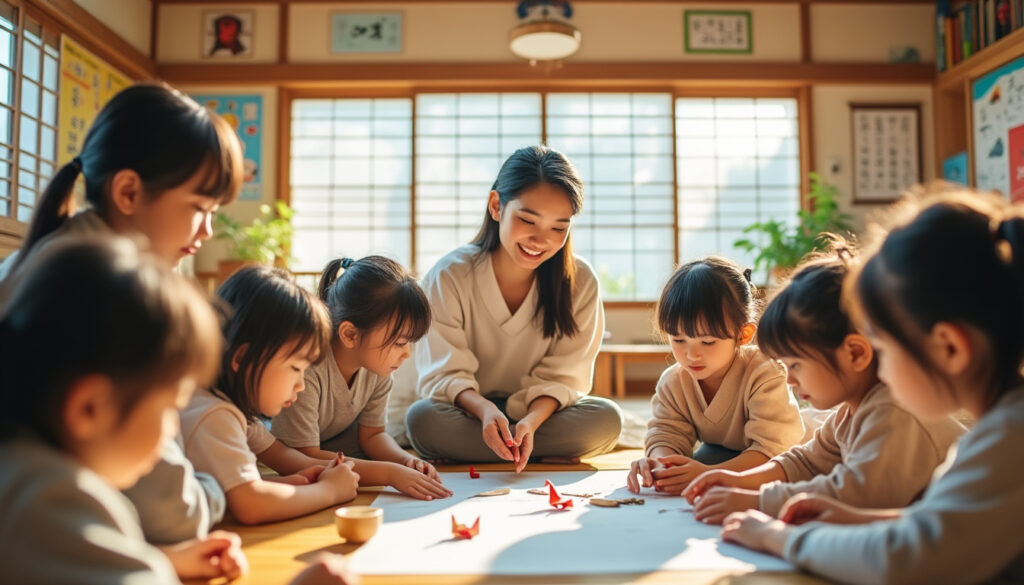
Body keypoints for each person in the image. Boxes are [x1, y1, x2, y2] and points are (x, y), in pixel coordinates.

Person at [720, 189, 1024, 585]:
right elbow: (952, 523)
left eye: (883, 347)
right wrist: (860, 520)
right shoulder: (1002, 426)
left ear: (949, 347)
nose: (879, 365)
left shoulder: (1009, 438)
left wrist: (783, 538)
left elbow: (907, 560)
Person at [0, 81, 244, 545]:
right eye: (199, 207)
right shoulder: (106, 293)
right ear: (128, 191)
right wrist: (219, 490)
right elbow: (173, 514)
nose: (208, 230)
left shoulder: (51, 256)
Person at [0, 236, 246, 583]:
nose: (173, 428)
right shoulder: (48, 497)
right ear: (90, 408)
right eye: (169, 408)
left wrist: (159, 560)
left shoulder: (18, 469)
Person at [682, 242, 964, 523]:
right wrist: (738, 480)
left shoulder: (893, 412)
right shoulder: (851, 410)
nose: (789, 379)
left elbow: (854, 494)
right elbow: (807, 461)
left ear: (855, 353)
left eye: (796, 365)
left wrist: (757, 501)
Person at [406, 145, 622, 472]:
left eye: (558, 228)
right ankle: (521, 449)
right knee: (423, 420)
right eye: (527, 220)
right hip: (467, 411)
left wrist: (531, 423)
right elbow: (444, 373)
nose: (540, 239)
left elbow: (566, 375)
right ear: (496, 206)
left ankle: (505, 446)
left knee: (606, 420)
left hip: (540, 414)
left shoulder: (580, 281)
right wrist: (485, 413)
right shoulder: (449, 274)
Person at [180, 266, 360, 525]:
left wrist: (289, 483)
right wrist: (330, 491)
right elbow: (251, 505)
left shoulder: (226, 405)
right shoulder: (214, 414)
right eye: (296, 368)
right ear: (242, 358)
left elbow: (273, 461)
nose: (301, 384)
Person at [271, 256, 451, 501]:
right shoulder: (308, 369)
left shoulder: (378, 370)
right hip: (296, 452)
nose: (407, 353)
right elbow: (303, 454)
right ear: (350, 334)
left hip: (337, 449)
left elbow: (373, 435)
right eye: (399, 343)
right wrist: (390, 473)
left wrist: (405, 461)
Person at [626, 257, 804, 495]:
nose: (692, 355)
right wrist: (661, 465)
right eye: (678, 340)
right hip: (722, 454)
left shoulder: (765, 371)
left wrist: (705, 474)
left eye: (708, 342)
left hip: (785, 457)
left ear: (743, 334)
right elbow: (665, 435)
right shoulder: (674, 381)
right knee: (708, 456)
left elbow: (773, 451)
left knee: (709, 461)